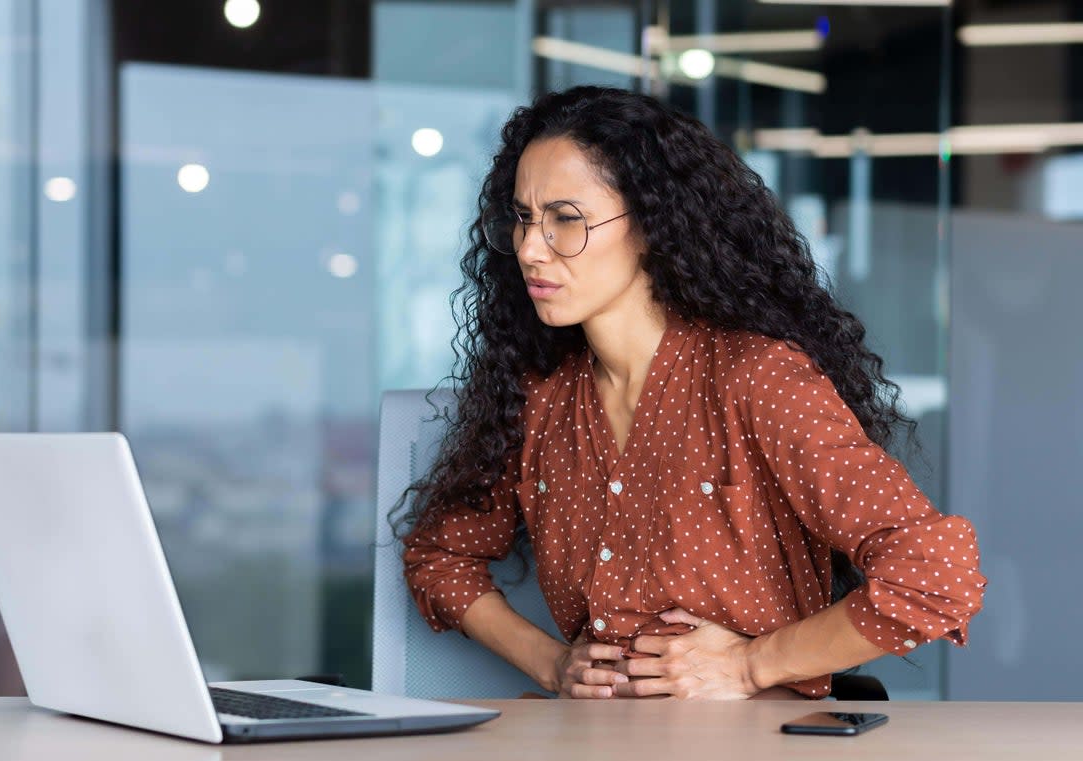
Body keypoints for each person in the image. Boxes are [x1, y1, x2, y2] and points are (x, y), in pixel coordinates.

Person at [398, 86, 986, 700]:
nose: (528, 249)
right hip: (588, 758)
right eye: (522, 218)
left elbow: (936, 575)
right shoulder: (542, 396)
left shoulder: (756, 378)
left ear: (652, 224)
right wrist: (550, 664)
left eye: (565, 220)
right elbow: (440, 559)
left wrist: (751, 665)